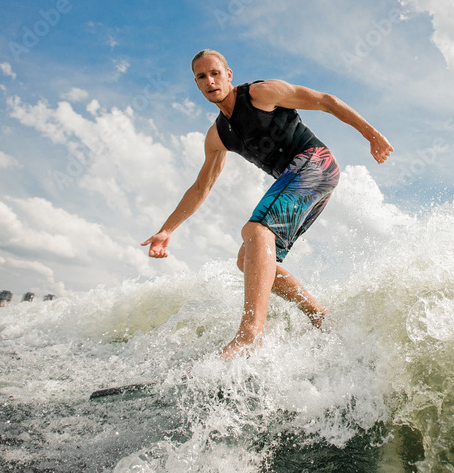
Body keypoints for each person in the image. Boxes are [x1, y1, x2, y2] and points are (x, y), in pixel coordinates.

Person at [142, 49, 393, 359]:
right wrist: (167, 230)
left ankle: (250, 333)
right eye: (201, 77)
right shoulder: (218, 135)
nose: (210, 81)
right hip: (308, 183)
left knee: (257, 230)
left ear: (228, 74)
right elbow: (201, 186)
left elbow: (325, 100)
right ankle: (320, 316)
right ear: (196, 83)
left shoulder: (261, 93)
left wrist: (372, 134)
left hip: (317, 163)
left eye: (215, 73)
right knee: (246, 258)